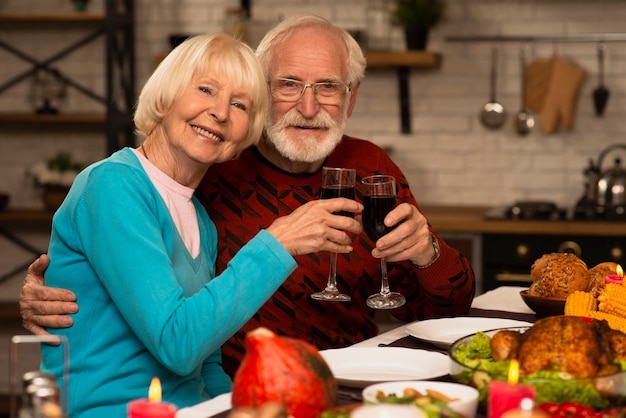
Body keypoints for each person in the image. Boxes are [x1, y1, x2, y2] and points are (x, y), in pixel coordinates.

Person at [20, 15, 476, 379]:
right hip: (240, 385)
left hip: (346, 378)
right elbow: (123, 226)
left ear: (350, 98)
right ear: (264, 92)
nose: (309, 106)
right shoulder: (213, 163)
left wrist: (429, 254)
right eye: (289, 84)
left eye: (327, 87)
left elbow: (445, 313)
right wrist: (57, 281)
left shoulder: (371, 167)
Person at [35, 32, 363, 417]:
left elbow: (205, 362)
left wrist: (235, 409)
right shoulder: (112, 185)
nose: (220, 112)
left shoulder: (200, 219)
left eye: (239, 104)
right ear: (167, 94)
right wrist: (278, 243)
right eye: (205, 89)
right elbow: (177, 344)